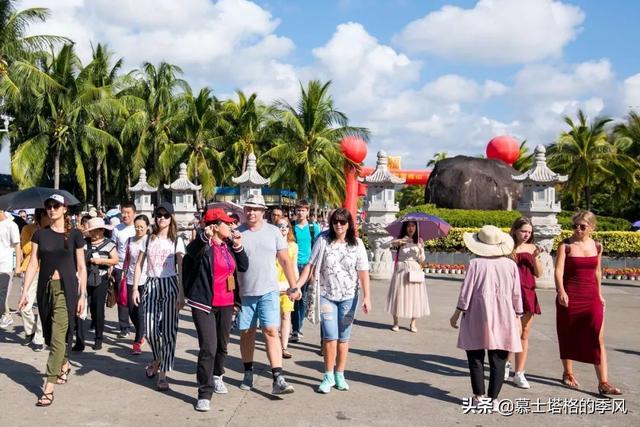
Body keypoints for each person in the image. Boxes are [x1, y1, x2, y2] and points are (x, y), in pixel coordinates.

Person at [18, 194, 87, 406]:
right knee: (49, 334)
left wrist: (82, 294)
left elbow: (82, 267)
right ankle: (64, 362)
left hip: (66, 291)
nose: (51, 209)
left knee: (58, 336)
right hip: (45, 290)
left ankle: (48, 386)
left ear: (65, 209)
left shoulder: (75, 235)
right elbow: (32, 265)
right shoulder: (40, 235)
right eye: (48, 206)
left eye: (56, 206)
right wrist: (24, 292)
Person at [296, 208, 371, 393]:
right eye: (336, 221)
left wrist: (367, 297)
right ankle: (328, 375)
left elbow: (363, 272)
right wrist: (297, 285)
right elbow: (310, 265)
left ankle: (340, 374)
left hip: (349, 297)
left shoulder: (357, 244)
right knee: (330, 336)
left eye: (342, 222)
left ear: (348, 224)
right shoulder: (322, 239)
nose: (338, 225)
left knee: (343, 338)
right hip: (326, 295)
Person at [449, 225, 522, 408]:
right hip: (504, 315)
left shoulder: (475, 264)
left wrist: (457, 313)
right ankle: (493, 398)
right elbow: (516, 294)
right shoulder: (510, 265)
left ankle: (479, 396)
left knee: (475, 356)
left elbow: (466, 292)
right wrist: (518, 316)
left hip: (476, 313)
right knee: (498, 358)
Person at [183, 208, 247, 412]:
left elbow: (244, 266)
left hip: (227, 302)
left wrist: (238, 246)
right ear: (215, 226)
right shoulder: (203, 246)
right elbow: (191, 252)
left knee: (222, 345)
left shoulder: (229, 246)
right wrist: (204, 237)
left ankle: (218, 375)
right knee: (208, 348)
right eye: (227, 224)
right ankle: (204, 391)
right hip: (204, 303)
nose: (231, 226)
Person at [236, 194, 300, 395]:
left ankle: (277, 377)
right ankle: (248, 371)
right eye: (248, 208)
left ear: (263, 212)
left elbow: (284, 260)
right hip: (245, 292)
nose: (251, 212)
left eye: (255, 209)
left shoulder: (274, 232)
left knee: (271, 331)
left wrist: (293, 286)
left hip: (269, 291)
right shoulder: (237, 233)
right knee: (247, 333)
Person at [554, 211, 622, 395]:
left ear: (592, 227)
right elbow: (558, 271)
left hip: (591, 296)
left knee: (597, 337)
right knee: (568, 334)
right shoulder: (565, 246)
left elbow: (597, 272)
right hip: (569, 295)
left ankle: (603, 382)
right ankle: (568, 372)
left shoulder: (597, 246)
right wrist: (561, 290)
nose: (578, 229)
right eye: (574, 226)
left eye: (582, 226)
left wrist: (599, 295)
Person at [132, 202, 185, 391]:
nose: (161, 218)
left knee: (170, 331)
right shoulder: (148, 239)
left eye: (165, 215)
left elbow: (181, 267)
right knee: (151, 330)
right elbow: (138, 264)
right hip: (151, 284)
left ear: (171, 217)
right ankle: (158, 358)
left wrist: (182, 292)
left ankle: (162, 373)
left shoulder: (177, 240)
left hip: (170, 283)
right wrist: (135, 289)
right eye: (158, 215)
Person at [507, 217, 543, 389]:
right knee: (509, 331)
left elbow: (539, 273)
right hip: (509, 294)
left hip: (528, 292)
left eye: (529, 232)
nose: (526, 235)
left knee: (524, 332)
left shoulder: (533, 248)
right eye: (523, 231)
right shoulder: (506, 246)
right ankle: (506, 364)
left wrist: (535, 257)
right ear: (515, 230)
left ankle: (519, 372)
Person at [74, 218, 118, 351]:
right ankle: (79, 341)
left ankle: (98, 338)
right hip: (84, 278)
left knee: (97, 309)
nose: (93, 234)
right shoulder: (84, 243)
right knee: (80, 309)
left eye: (96, 231)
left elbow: (115, 260)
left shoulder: (109, 244)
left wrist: (100, 261)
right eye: (91, 231)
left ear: (102, 230)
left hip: (101, 279)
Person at [385, 220, 430, 333]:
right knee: (398, 295)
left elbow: (422, 260)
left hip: (414, 269)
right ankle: (396, 322)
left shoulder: (419, 240)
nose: (411, 228)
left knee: (415, 296)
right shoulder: (400, 239)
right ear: (405, 227)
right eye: (409, 226)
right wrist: (398, 241)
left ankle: (413, 323)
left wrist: (420, 248)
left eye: (413, 226)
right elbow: (384, 245)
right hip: (401, 269)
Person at [291, 199, 320, 343]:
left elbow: (317, 248)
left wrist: (314, 270)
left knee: (302, 298)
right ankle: (294, 327)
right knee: (292, 296)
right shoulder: (291, 226)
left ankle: (298, 328)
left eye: (303, 210)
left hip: (307, 266)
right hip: (292, 265)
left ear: (308, 212)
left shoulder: (314, 228)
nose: (301, 212)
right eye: (298, 210)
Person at [18, 209, 48, 351]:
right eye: (43, 216)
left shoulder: (52, 230)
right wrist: (37, 233)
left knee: (43, 305)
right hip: (30, 270)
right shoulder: (27, 228)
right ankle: (30, 330)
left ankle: (39, 337)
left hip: (47, 270)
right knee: (25, 306)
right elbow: (26, 249)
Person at [124, 214, 150, 354]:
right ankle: (142, 329)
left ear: (147, 227)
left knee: (139, 311)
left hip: (145, 279)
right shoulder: (130, 240)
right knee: (131, 310)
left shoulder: (149, 240)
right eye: (136, 227)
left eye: (142, 227)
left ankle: (138, 341)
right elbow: (127, 259)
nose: (139, 229)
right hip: (130, 278)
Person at [112, 202, 137, 338]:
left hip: (135, 267)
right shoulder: (117, 229)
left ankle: (139, 324)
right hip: (120, 267)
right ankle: (124, 327)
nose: (125, 215)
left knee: (134, 298)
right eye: (123, 212)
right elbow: (113, 247)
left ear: (134, 213)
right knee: (122, 298)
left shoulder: (138, 227)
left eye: (128, 213)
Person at [275, 217, 298, 359]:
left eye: (286, 226)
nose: (283, 228)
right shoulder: (271, 244)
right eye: (280, 225)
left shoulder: (293, 246)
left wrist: (296, 286)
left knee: (286, 315)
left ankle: (283, 347)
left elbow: (294, 266)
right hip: (272, 283)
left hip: (287, 284)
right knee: (273, 318)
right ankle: (274, 345)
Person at [0, 208, 22, 330]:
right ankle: (6, 315)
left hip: (6, 265)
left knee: (2, 295)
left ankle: (6, 315)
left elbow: (17, 245)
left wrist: (18, 266)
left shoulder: (11, 225)